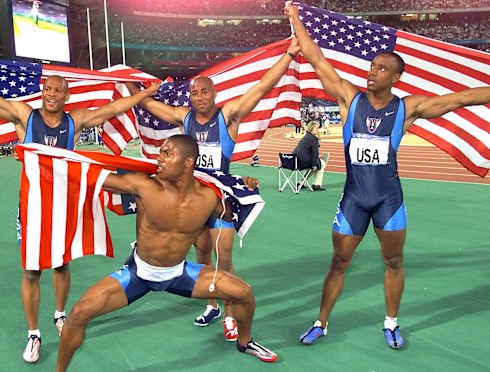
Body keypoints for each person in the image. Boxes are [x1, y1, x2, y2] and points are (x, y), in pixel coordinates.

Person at [0, 50, 160, 361]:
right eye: (48, 89)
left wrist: (146, 94)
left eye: (58, 90)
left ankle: (59, 314)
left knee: (61, 264)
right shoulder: (24, 116)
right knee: (32, 271)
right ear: (42, 92)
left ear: (66, 94)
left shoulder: (76, 120)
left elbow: (113, 108)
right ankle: (33, 334)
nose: (52, 94)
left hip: (64, 204)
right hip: (33, 207)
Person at [285, 4, 490, 349]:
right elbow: (317, 58)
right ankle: (321, 321)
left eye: (381, 69)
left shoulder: (407, 108)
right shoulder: (350, 97)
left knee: (393, 261)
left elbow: (463, 99)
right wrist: (294, 18)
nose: (372, 72)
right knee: (338, 261)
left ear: (395, 78)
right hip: (354, 198)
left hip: (388, 200)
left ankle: (391, 322)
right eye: (372, 66)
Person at [31, 135, 277, 372]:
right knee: (78, 314)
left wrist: (246, 187)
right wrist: (42, 159)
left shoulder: (209, 197)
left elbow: (229, 212)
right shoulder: (143, 186)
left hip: (180, 273)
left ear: (188, 162)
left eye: (167, 153)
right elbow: (93, 175)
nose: (159, 158)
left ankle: (245, 342)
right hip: (138, 274)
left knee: (244, 293)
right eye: (160, 152)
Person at [126, 36, 300, 342]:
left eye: (204, 91)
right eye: (194, 93)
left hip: (220, 200)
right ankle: (211, 305)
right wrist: (131, 86)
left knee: (224, 256)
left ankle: (231, 314)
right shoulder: (185, 117)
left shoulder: (228, 116)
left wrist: (288, 55)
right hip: (191, 199)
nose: (198, 97)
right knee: (202, 254)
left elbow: (261, 89)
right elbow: (152, 106)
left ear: (214, 93)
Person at [291, 121, 330, 191]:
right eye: (316, 128)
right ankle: (316, 184)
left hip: (296, 162)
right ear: (312, 128)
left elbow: (305, 152)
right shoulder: (313, 139)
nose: (318, 130)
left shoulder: (305, 137)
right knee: (321, 164)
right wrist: (314, 164)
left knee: (314, 165)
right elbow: (315, 153)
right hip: (303, 163)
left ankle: (301, 182)